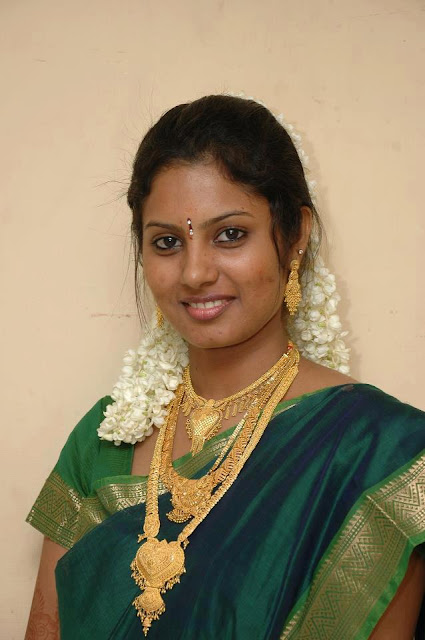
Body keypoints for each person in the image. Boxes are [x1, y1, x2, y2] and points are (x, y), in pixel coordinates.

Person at [25, 95, 425, 640]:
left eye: (230, 235)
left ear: (295, 234)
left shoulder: (377, 452)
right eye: (167, 242)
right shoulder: (101, 443)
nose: (194, 272)